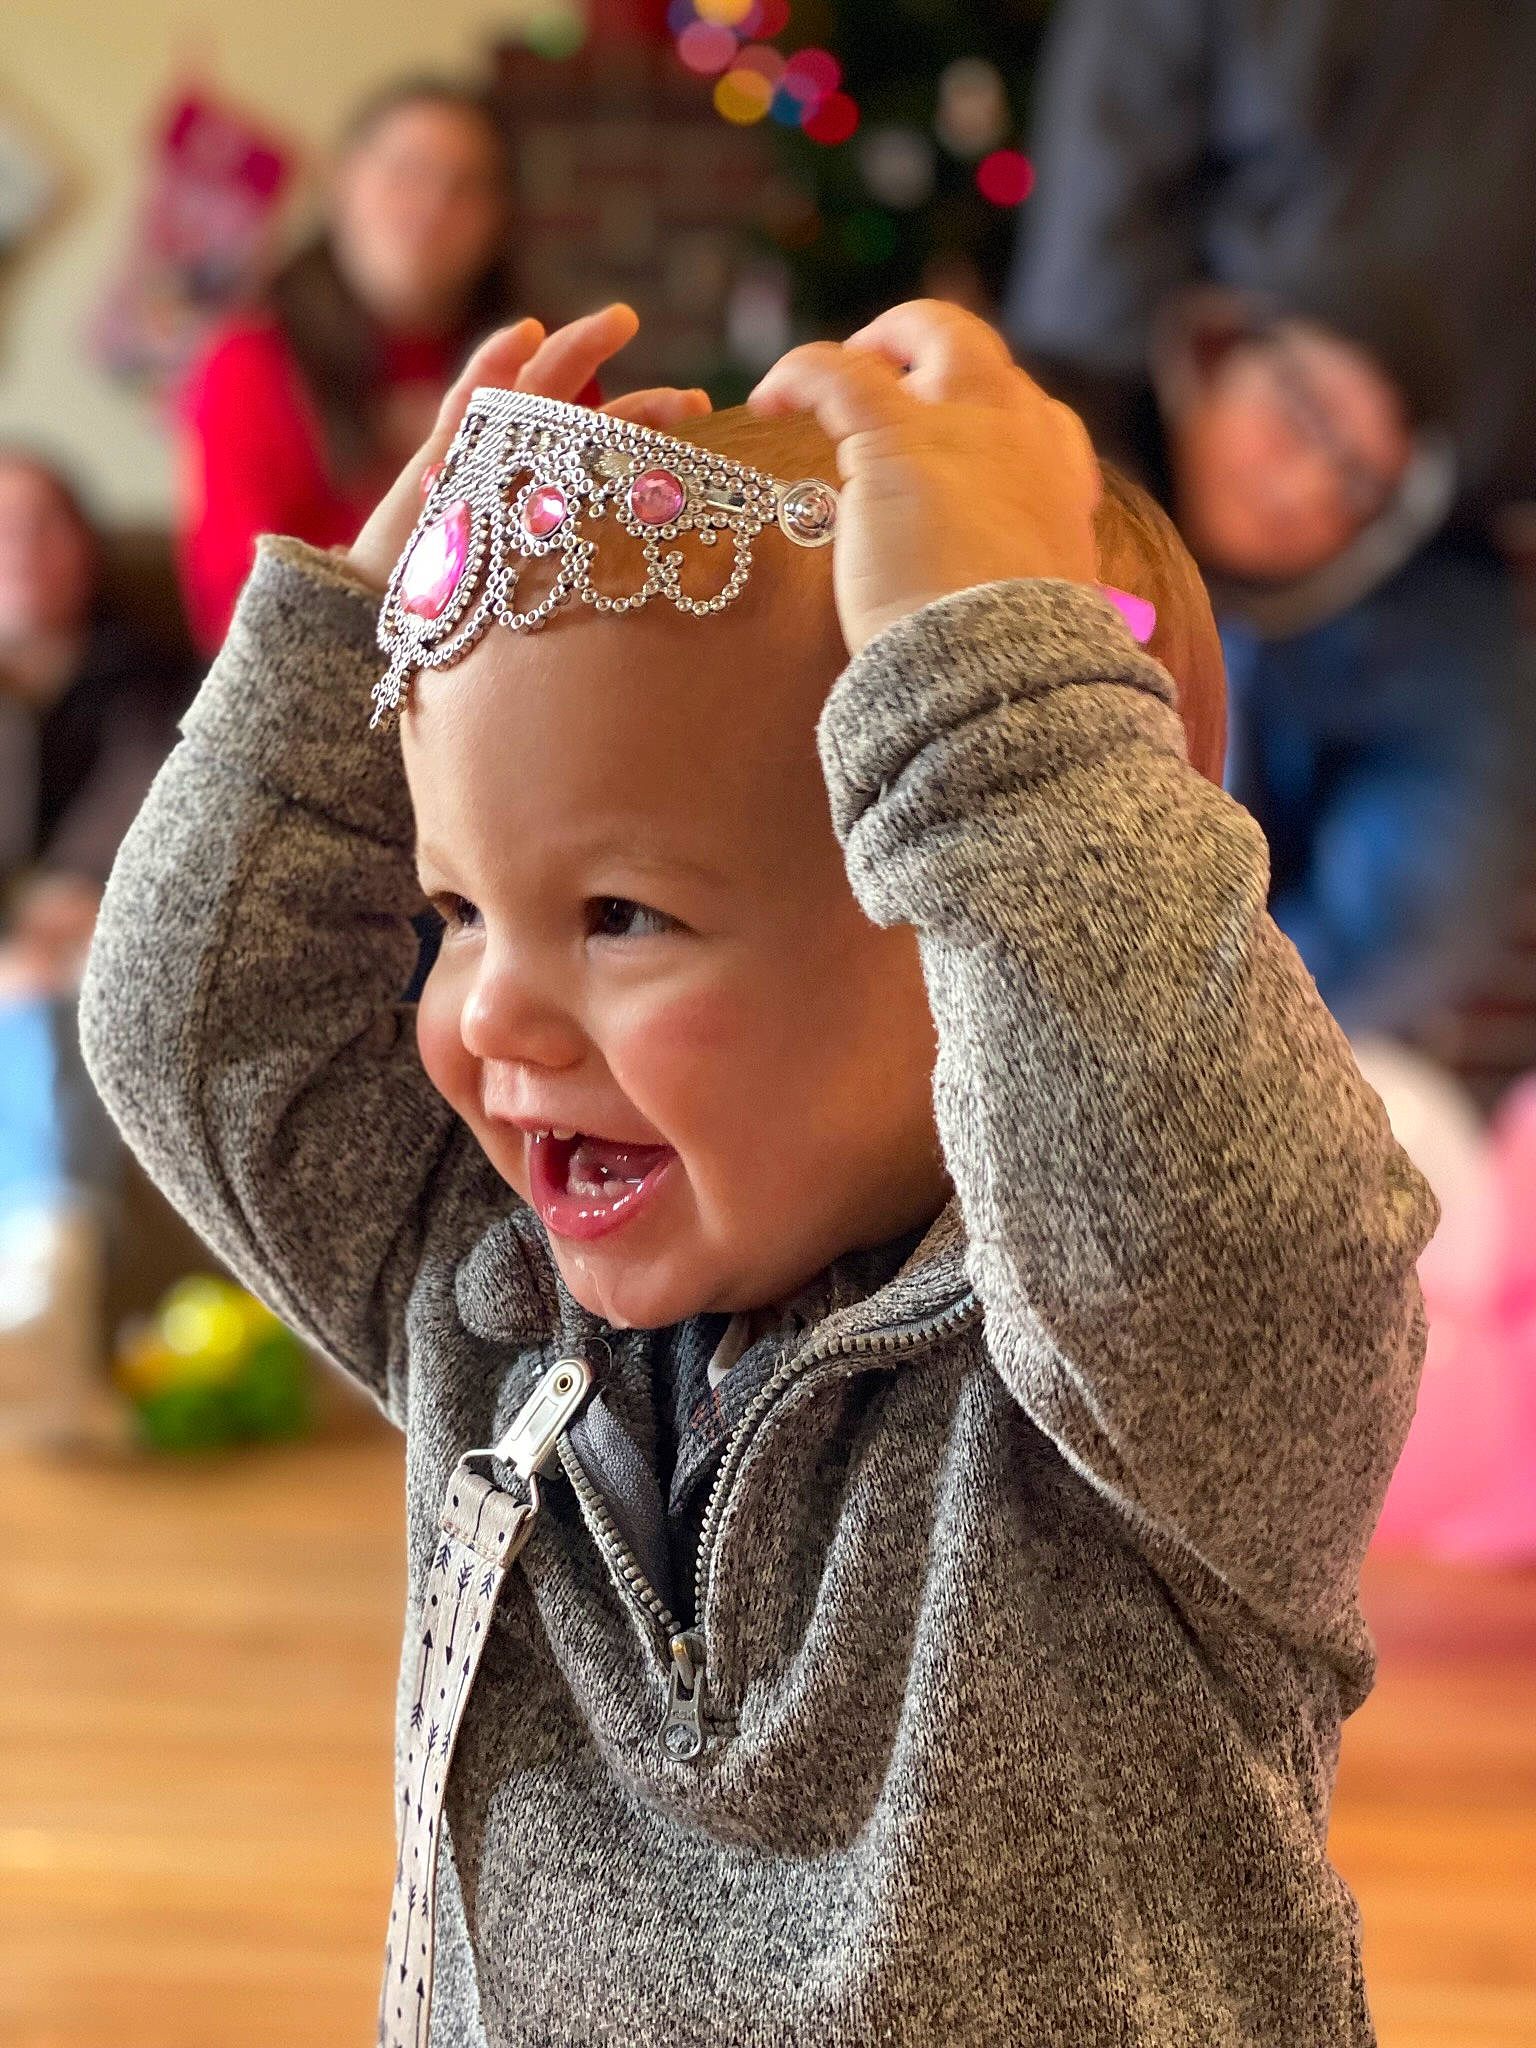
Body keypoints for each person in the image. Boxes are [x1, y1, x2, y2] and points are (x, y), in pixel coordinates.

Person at [81, 300, 1432, 2044]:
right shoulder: (489, 1313)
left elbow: (1203, 1208)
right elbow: (201, 1030)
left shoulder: (1151, 1407)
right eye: (457, 910)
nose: (489, 1011)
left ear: (970, 916)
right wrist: (332, 650)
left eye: (620, 914)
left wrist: (989, 680)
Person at [1004, 0, 1536, 1038]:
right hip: (1167, 447)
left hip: (1444, 520)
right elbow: (1112, 159)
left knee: (1432, 892)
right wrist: (1148, 411)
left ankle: (1224, 1063)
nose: (1305, 491)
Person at [176, 76, 601, 654]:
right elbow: (233, 609)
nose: (433, 206)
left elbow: (578, 575)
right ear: (344, 182)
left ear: (499, 219)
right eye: (407, 172)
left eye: (467, 186)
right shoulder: (248, 363)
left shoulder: (541, 367)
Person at [0, 452, 195, 1445]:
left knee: (61, 995)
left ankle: (49, 1280)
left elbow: (143, 808)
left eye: (45, 525)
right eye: (3, 531)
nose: (23, 551)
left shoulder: (146, 677)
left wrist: (66, 907)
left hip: (90, 947)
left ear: (85, 547)